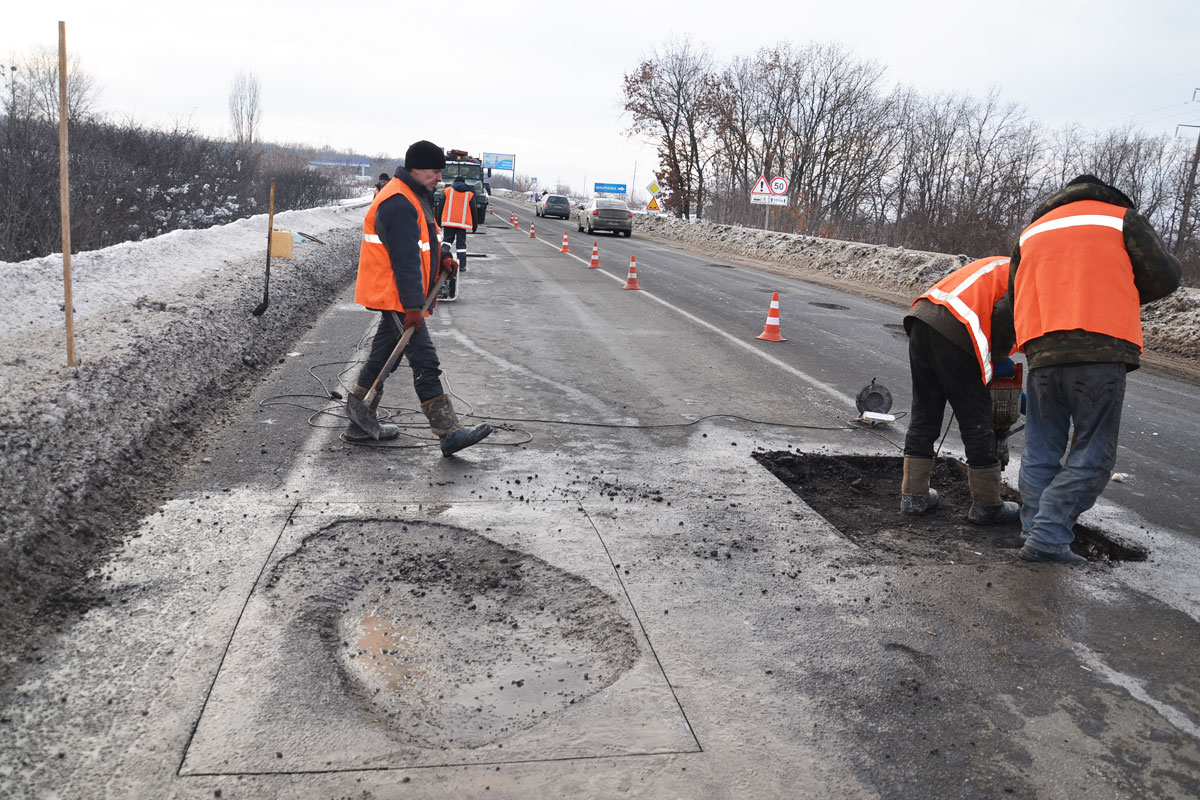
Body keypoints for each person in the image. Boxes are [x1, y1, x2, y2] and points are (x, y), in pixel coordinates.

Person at [1009, 174, 1181, 564]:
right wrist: (1121, 288)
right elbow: (1167, 276)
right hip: (1100, 349)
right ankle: (1049, 536)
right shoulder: (1120, 218)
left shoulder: (1033, 231)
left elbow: (1014, 293)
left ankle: (1033, 530)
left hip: (1042, 350)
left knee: (1040, 449)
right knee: (1094, 450)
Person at [345, 140, 492, 456]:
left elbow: (425, 241)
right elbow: (406, 260)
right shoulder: (398, 202)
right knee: (425, 360)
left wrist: (442, 258)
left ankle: (358, 422)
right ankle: (448, 431)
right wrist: (413, 307)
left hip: (399, 296)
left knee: (382, 358)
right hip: (397, 296)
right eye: (435, 171)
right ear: (416, 169)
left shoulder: (414, 196)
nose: (440, 178)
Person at [901, 256, 1020, 524]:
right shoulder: (1030, 273)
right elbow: (1004, 313)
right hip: (958, 328)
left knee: (925, 412)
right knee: (976, 420)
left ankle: (914, 495)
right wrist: (997, 360)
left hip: (922, 318)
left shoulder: (1003, 265)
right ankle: (988, 505)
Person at [440, 174, 474, 272]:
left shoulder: (447, 191)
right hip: (462, 224)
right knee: (461, 245)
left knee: (446, 241)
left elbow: (441, 207)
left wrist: (439, 221)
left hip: (448, 223)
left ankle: (441, 261)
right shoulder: (469, 194)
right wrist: (474, 225)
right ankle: (462, 265)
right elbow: (473, 211)